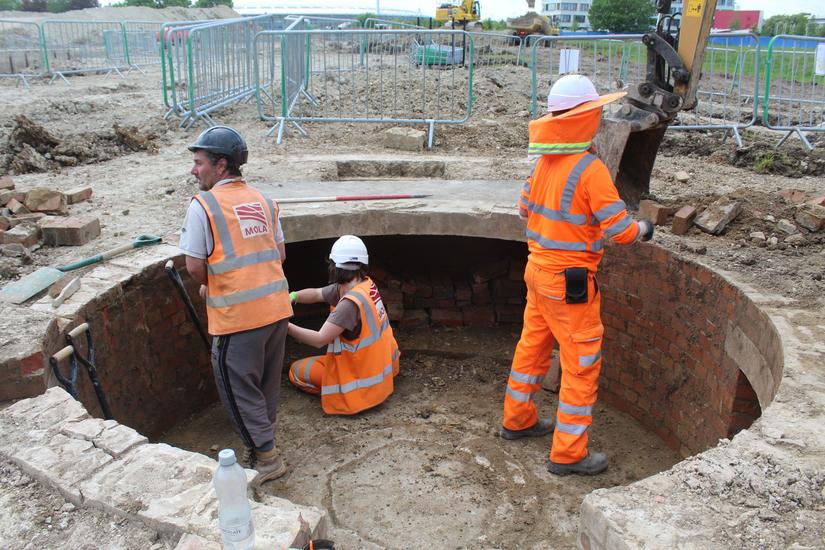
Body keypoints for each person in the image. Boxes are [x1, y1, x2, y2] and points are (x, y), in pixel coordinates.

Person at [500, 75, 654, 476]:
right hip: (570, 284)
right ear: (584, 118)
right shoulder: (590, 169)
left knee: (531, 350)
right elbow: (620, 231)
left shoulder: (543, 163)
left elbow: (523, 210)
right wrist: (643, 229)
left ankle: (518, 420)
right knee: (581, 365)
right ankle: (568, 454)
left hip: (537, 272)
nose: (600, 116)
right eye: (596, 111)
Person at [179, 126, 292, 484]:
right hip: (275, 310)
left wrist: (213, 286)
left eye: (199, 163)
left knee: (236, 386)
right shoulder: (264, 200)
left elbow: (195, 265)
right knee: (265, 382)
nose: (194, 171)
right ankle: (265, 440)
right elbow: (280, 254)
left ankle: (268, 459)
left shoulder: (204, 206)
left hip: (238, 317)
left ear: (221, 164)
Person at [286, 235, 400, 415]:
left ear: (334, 266)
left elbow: (319, 339)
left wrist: (285, 325)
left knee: (297, 371)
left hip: (360, 379)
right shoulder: (365, 285)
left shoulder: (348, 305)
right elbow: (316, 294)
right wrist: (293, 297)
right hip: (379, 365)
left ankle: (342, 393)